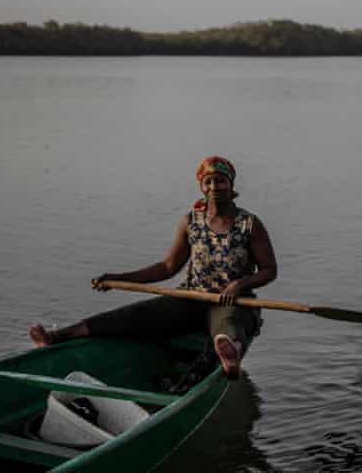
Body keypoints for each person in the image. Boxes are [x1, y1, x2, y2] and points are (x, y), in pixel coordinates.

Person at [28, 156, 277, 380]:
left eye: (221, 181)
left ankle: (228, 355)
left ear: (231, 186)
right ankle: (55, 337)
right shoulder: (191, 221)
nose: (214, 188)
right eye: (208, 182)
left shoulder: (249, 224)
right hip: (191, 297)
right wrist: (116, 278)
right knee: (128, 317)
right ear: (201, 186)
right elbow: (166, 267)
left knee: (227, 325)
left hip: (232, 302)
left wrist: (240, 284)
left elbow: (269, 270)